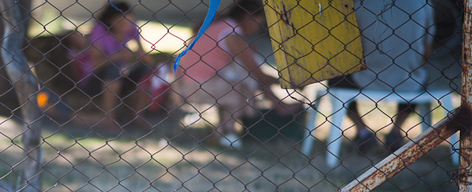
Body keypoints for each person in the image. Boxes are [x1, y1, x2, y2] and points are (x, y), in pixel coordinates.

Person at [173, 0, 301, 149]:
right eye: (257, 23)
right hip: (195, 86)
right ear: (248, 16)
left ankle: (225, 132)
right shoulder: (232, 34)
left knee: (240, 74)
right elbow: (258, 74)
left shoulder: (222, 26)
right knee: (240, 85)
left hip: (185, 82)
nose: (256, 29)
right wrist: (293, 82)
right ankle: (227, 132)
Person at [331, 0, 435, 153]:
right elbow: (426, 50)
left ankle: (362, 131)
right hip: (408, 80)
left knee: (334, 77)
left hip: (364, 77)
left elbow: (347, 45)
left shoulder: (358, 3)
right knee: (421, 77)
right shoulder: (423, 3)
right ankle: (396, 131)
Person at [82, 1, 154, 129]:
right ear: (110, 20)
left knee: (147, 70)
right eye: (121, 23)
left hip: (119, 77)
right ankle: (109, 118)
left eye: (129, 22)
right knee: (113, 68)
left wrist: (138, 54)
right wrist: (118, 55)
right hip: (95, 81)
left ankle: (137, 116)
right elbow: (96, 64)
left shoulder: (131, 29)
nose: (126, 27)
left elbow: (147, 60)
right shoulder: (100, 30)